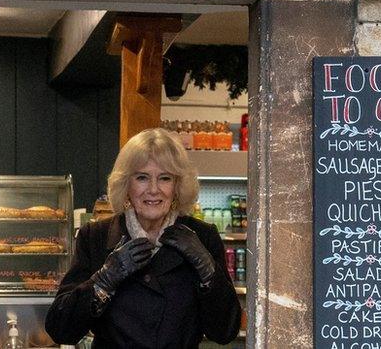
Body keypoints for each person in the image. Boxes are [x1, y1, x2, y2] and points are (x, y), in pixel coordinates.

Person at [46, 128, 241, 348]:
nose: (154, 190)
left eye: (165, 178)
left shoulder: (202, 237)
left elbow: (225, 331)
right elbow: (60, 330)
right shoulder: (96, 237)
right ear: (126, 185)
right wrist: (103, 281)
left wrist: (208, 270)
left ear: (177, 186)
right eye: (142, 178)